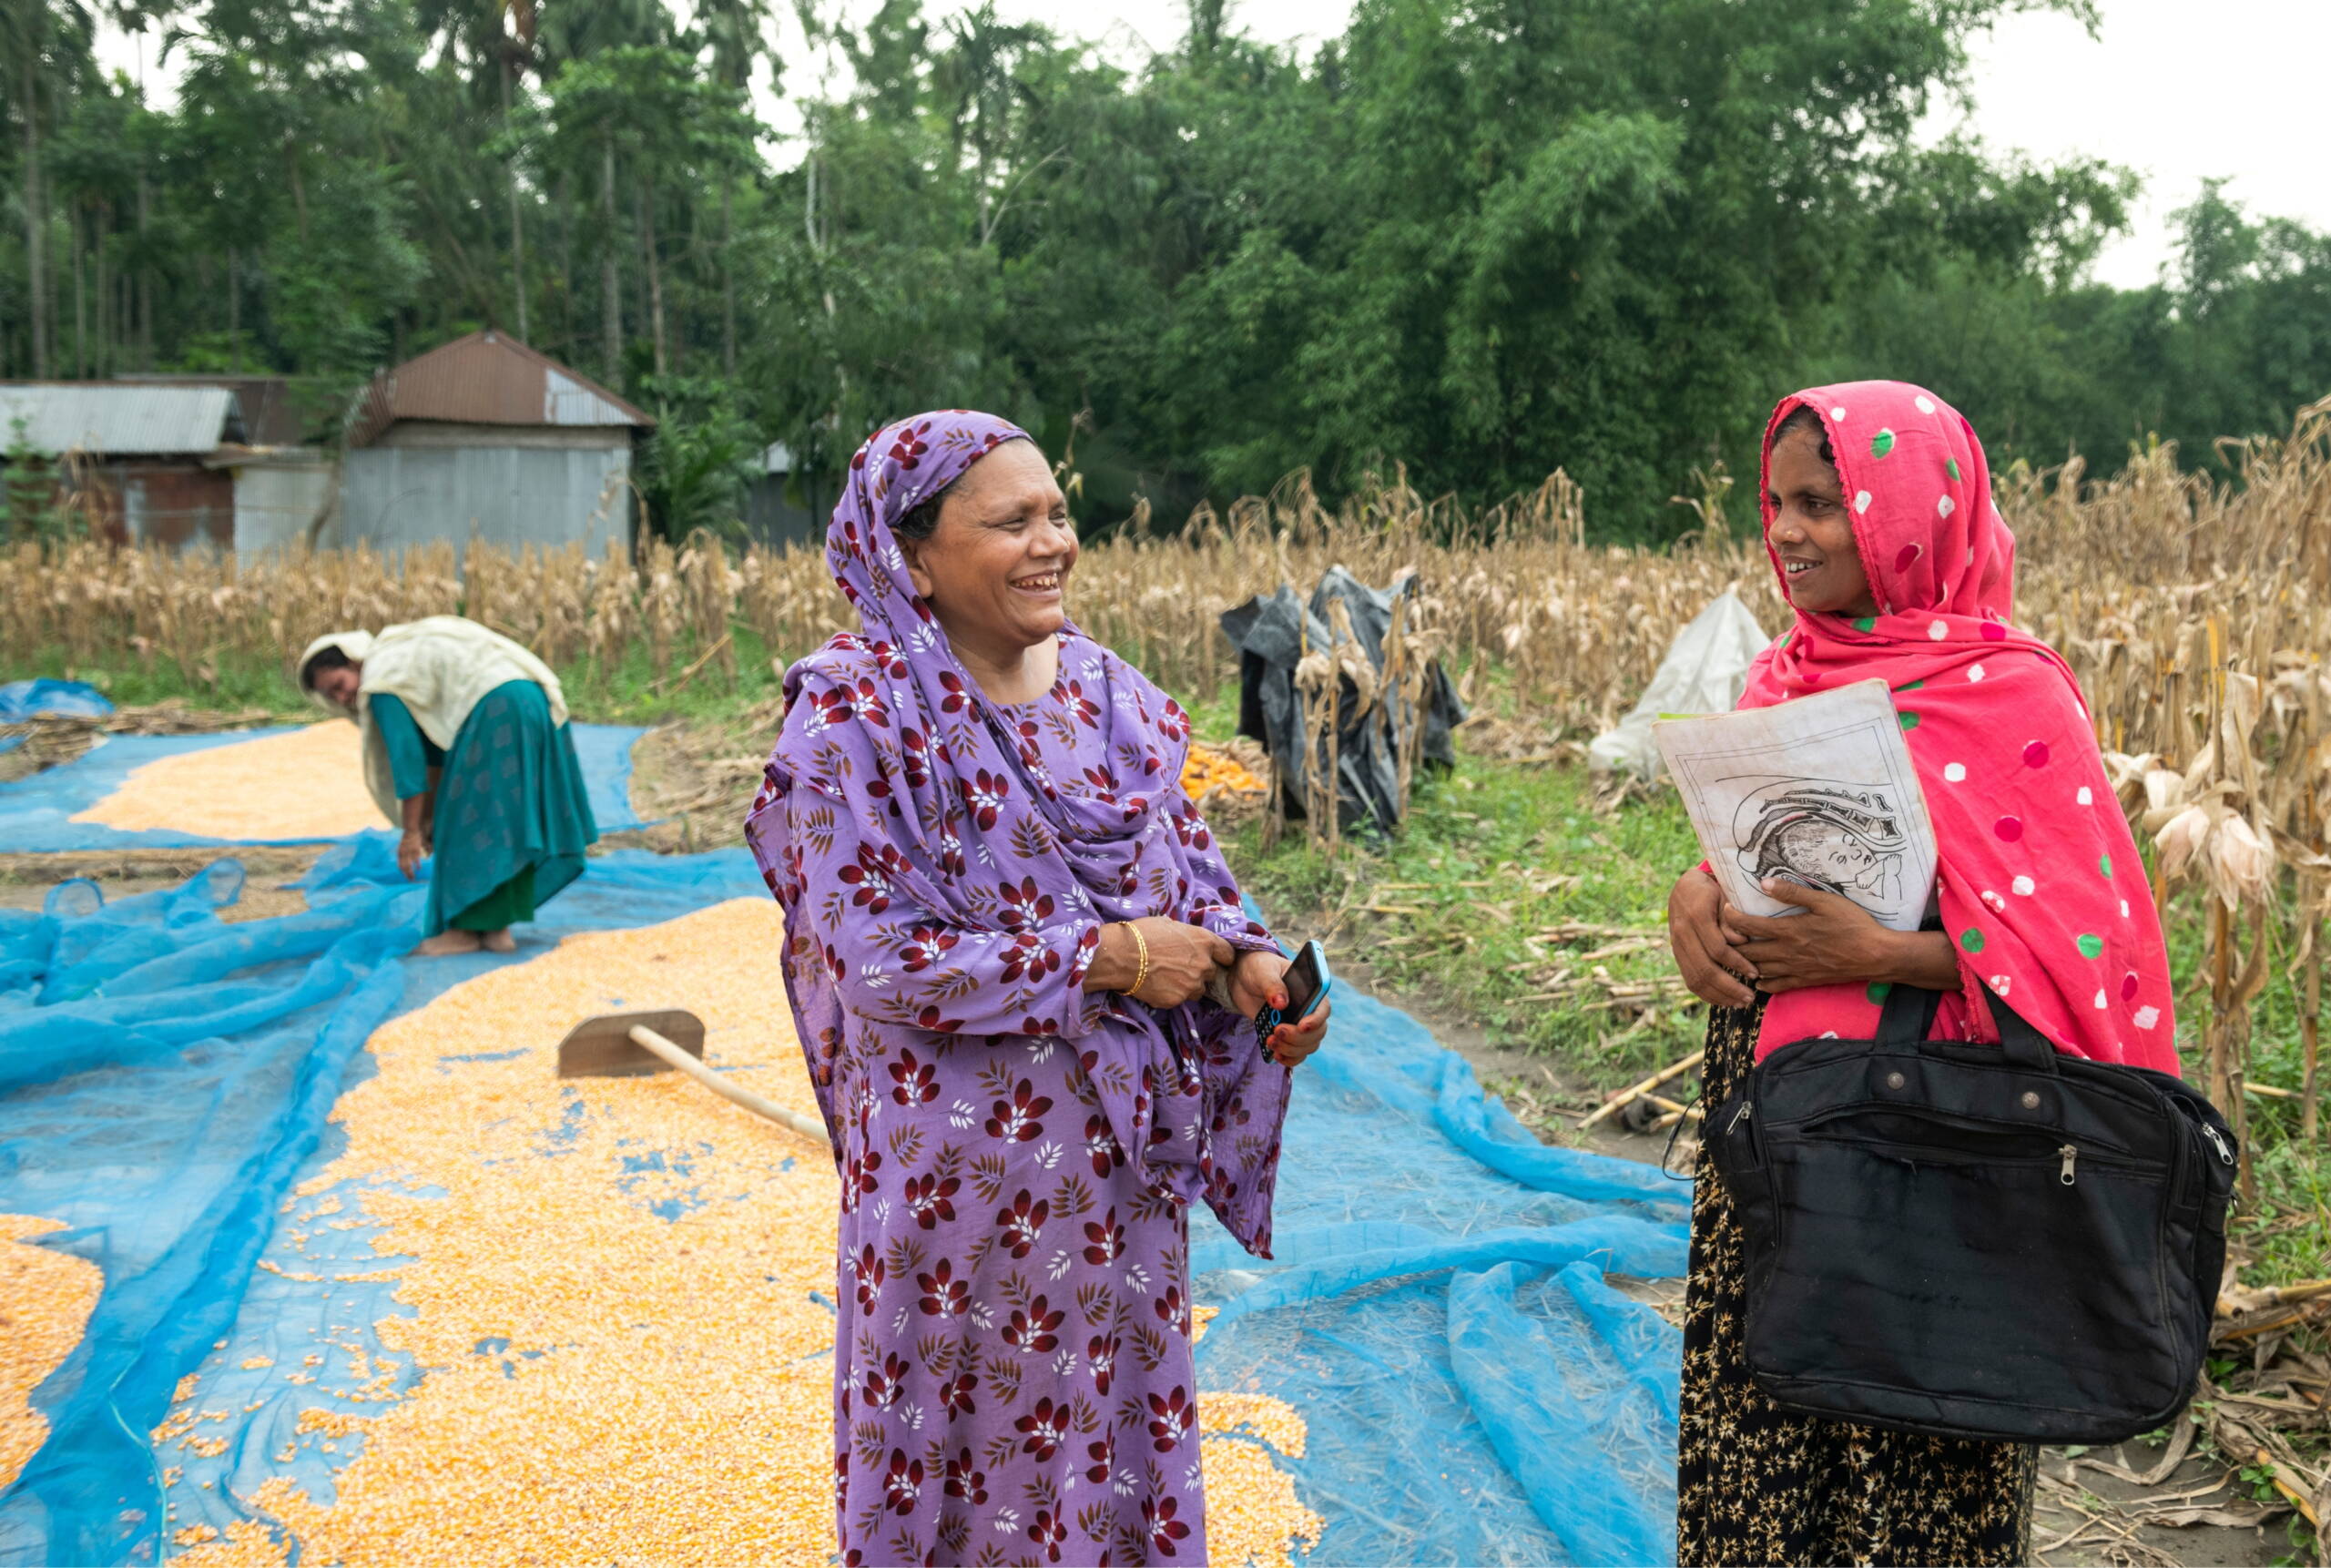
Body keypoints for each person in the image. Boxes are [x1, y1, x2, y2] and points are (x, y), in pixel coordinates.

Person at [743, 411, 1329, 1566]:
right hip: (960, 1199)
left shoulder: (1107, 696)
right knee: (961, 1460)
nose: (1052, 540)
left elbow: (1192, 880)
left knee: (1106, 1458)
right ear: (909, 557)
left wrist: (1245, 963)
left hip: (1114, 1186)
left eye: (1057, 512)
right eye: (1011, 521)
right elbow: (876, 961)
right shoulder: (853, 717)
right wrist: (1104, 958)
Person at [1664, 381, 2180, 1566]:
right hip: (1777, 1136)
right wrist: (1695, 900)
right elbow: (1745, 863)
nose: (1787, 531)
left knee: (1926, 1473)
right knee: (1762, 1448)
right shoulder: (1781, 680)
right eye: (1778, 503)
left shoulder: (2009, 698)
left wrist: (1885, 955)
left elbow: (2092, 961)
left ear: (1912, 512)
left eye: (1824, 503)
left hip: (1947, 1149)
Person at [300, 616, 597, 957]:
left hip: (497, 706)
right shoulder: (400, 661)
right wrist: (427, 819)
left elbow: (408, 764)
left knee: (467, 823)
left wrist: (411, 833)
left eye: (340, 683)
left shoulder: (381, 682)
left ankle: (461, 933)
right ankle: (496, 931)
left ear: (354, 662)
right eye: (331, 695)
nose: (343, 696)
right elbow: (436, 759)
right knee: (502, 821)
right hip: (528, 698)